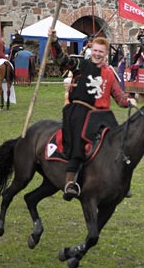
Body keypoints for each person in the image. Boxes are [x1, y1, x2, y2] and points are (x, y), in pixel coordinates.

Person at [49, 28, 137, 200]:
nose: (97, 54)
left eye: (100, 52)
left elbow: (118, 95)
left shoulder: (109, 73)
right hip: (80, 112)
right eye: (95, 51)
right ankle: (70, 181)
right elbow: (61, 60)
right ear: (91, 51)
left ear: (105, 54)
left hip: (103, 115)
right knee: (79, 141)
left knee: (120, 142)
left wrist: (128, 101)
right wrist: (54, 41)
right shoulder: (81, 65)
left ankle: (119, 182)